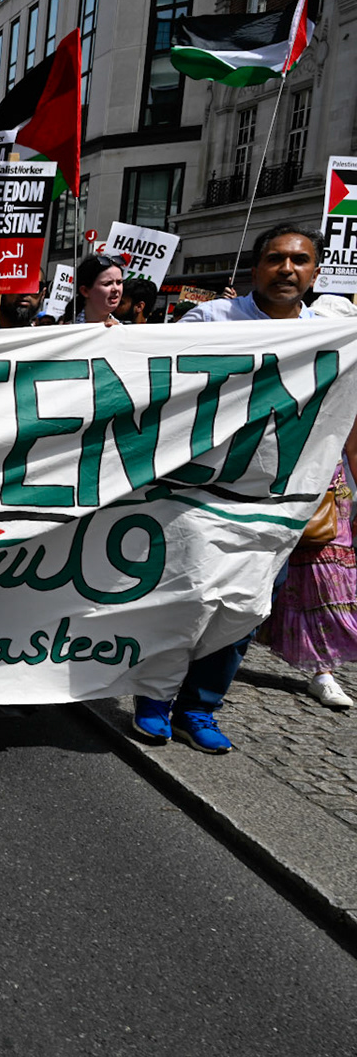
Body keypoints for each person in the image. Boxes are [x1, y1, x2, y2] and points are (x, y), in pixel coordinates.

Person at [132, 225, 331, 754]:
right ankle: (154, 700)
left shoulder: (333, 333)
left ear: (316, 270)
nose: (286, 269)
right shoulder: (211, 320)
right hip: (198, 496)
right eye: (275, 259)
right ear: (255, 268)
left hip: (278, 505)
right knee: (183, 599)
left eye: (299, 260)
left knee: (242, 610)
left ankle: (200, 708)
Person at [268, 457, 357, 710]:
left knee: (327, 583)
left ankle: (323, 673)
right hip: (275, 485)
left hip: (328, 496)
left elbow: (354, 449)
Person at [73, 254, 124, 324]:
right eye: (107, 283)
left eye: (119, 282)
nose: (115, 289)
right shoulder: (65, 331)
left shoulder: (125, 331)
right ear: (85, 291)